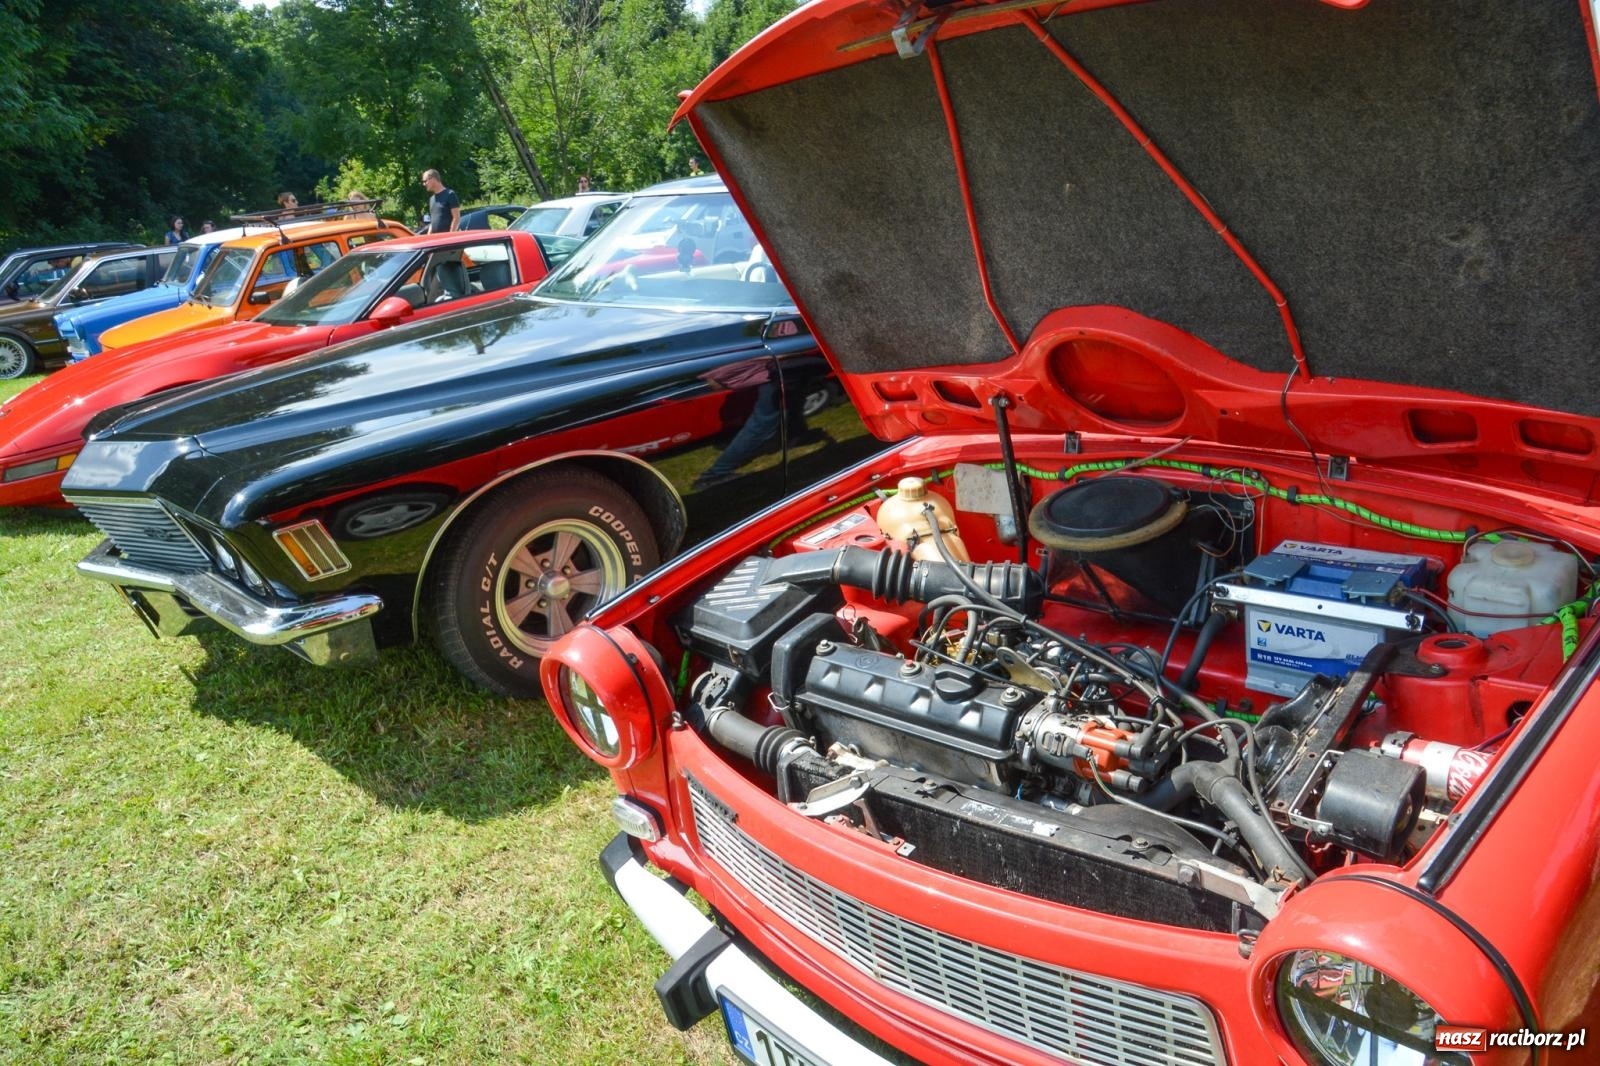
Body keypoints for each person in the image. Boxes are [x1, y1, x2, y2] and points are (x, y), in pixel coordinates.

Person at [420, 169, 460, 234]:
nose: (424, 184)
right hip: (436, 240)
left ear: (433, 179)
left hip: (448, 240)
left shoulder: (450, 194)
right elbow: (433, 222)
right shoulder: (431, 199)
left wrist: (450, 236)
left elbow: (456, 218)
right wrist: (429, 236)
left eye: (425, 181)